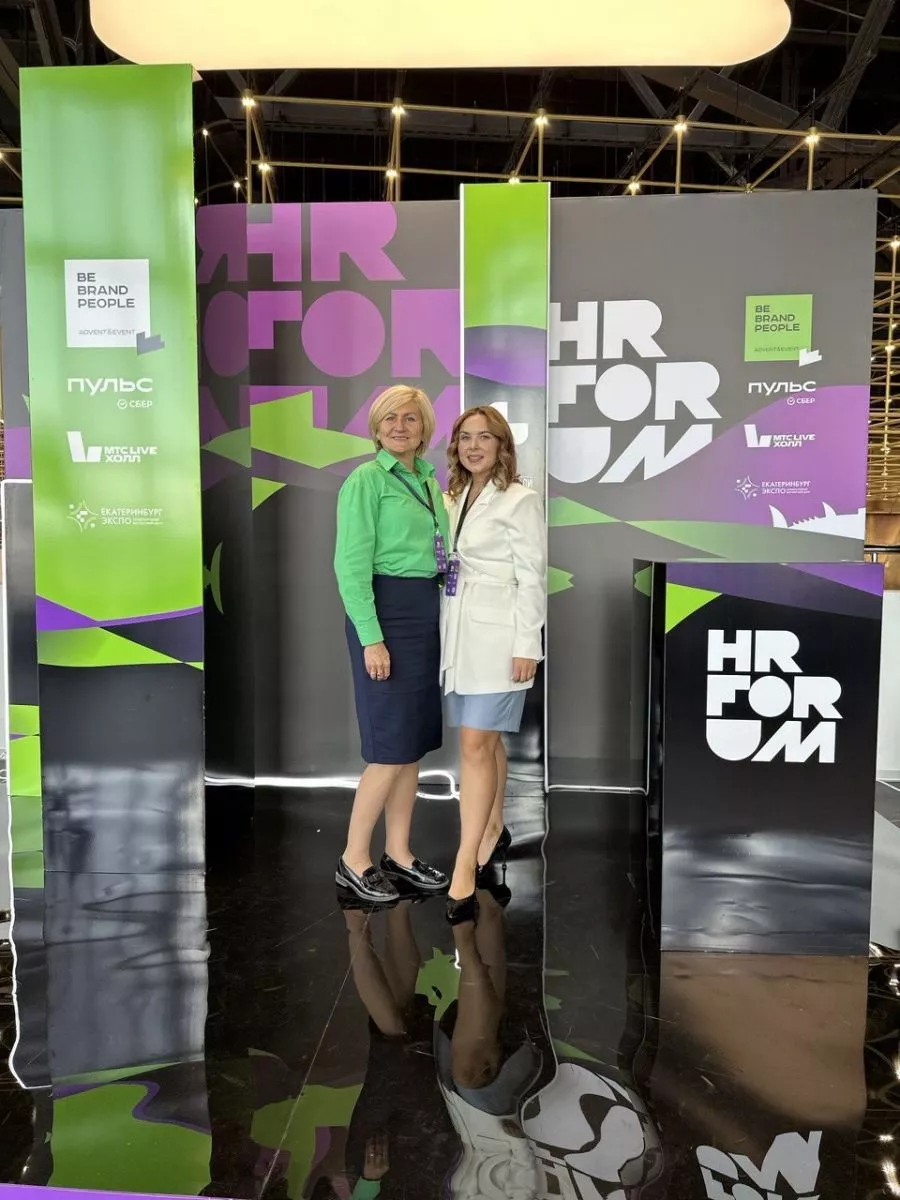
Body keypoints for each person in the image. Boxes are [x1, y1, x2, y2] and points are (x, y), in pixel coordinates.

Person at [334, 385, 451, 904]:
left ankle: (398, 853)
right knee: (387, 749)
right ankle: (353, 860)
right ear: (376, 428)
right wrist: (372, 639)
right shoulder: (366, 480)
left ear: (424, 428)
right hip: (387, 614)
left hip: (424, 613)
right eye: (389, 419)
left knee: (410, 746)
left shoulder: (428, 480)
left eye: (410, 418)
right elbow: (350, 567)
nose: (400, 427)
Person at [440, 406, 547, 923]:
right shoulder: (453, 496)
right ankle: (493, 825)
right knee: (487, 743)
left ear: (502, 445)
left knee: (474, 746)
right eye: (465, 437)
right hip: (459, 635)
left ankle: (465, 865)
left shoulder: (520, 500)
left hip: (502, 639)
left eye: (485, 437)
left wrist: (528, 643)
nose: (474, 446)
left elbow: (532, 575)